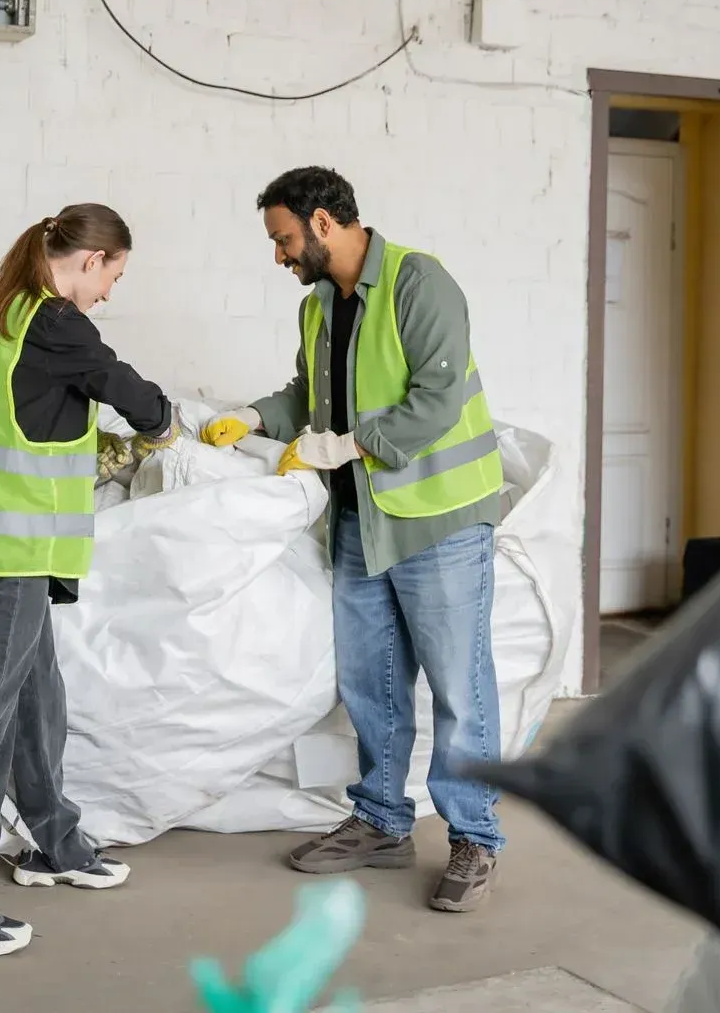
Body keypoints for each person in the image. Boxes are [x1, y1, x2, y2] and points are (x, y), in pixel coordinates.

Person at [199, 168, 507, 913]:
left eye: (283, 239)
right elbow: (312, 396)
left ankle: (473, 837)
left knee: (459, 690)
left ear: (324, 224)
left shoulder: (418, 283)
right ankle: (381, 822)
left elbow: (434, 403)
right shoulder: (318, 307)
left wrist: (350, 449)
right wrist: (256, 416)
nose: (279, 256)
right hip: (360, 521)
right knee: (371, 684)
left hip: (437, 518)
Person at [0, 204, 177, 959]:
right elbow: (129, 391)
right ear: (90, 260)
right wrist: (164, 427)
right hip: (11, 548)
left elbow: (28, 409)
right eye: (112, 276)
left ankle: (54, 842)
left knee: (35, 693)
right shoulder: (56, 322)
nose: (109, 294)